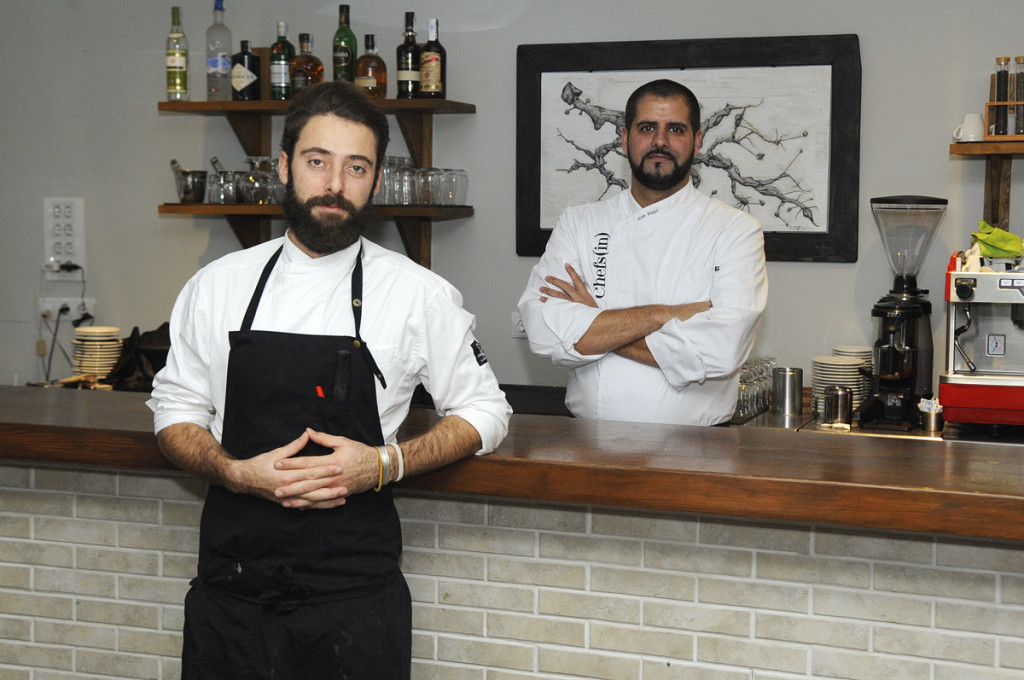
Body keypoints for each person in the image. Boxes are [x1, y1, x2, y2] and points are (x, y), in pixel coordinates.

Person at [148, 81, 511, 680]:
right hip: (231, 594)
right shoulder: (217, 286)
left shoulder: (417, 293)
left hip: (354, 601)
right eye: (318, 162)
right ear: (287, 167)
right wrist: (235, 473)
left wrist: (383, 464)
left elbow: (487, 411)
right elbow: (174, 413)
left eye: (356, 168)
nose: (335, 185)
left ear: (374, 181)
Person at [518, 79, 768, 426]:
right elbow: (544, 332)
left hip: (698, 454)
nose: (660, 141)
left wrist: (596, 320)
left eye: (675, 129)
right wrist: (669, 314)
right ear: (624, 139)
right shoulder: (579, 223)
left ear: (697, 142)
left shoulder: (735, 230)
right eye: (647, 127)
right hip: (586, 445)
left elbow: (722, 350)